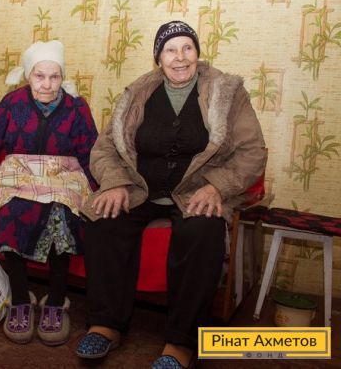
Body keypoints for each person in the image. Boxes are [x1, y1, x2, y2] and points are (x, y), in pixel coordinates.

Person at [75, 21, 267, 368]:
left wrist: (218, 186)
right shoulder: (137, 93)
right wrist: (115, 182)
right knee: (104, 219)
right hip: (140, 188)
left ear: (197, 53)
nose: (180, 57)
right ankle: (105, 325)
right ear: (158, 58)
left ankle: (181, 343)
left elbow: (252, 152)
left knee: (202, 232)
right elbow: (104, 149)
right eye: (170, 50)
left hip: (197, 191)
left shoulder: (226, 92)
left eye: (187, 48)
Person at [0, 40, 98, 346]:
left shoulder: (77, 108)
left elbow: (92, 155)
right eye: (40, 76)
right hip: (19, 173)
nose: (47, 84)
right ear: (28, 75)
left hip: (63, 176)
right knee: (14, 212)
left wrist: (97, 193)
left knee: (61, 214)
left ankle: (56, 301)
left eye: (55, 77)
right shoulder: (12, 103)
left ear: (62, 77)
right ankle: (20, 298)